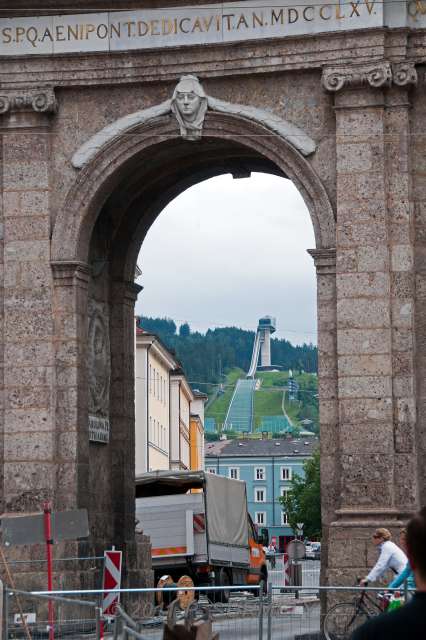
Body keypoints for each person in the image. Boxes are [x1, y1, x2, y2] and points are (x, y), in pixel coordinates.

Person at [352, 507, 426, 639]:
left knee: (396, 607)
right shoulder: (386, 547)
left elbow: (382, 566)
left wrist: (370, 580)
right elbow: (384, 567)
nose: (373, 539)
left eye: (375, 536)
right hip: (406, 578)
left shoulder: (370, 633)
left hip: (408, 581)